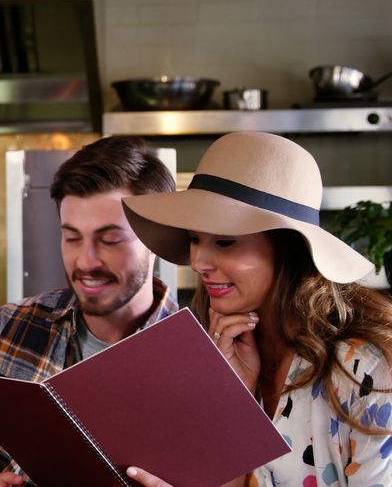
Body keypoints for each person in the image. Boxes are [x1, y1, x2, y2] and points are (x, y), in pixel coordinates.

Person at [118, 131, 392, 486]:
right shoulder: (223, 356)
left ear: (288, 248)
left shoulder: (367, 372)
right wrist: (239, 406)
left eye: (225, 241)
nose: (198, 261)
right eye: (195, 239)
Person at [0, 136, 178, 486]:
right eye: (72, 237)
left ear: (156, 239)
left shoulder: (207, 360)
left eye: (111, 239)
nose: (86, 261)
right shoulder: (4, 331)